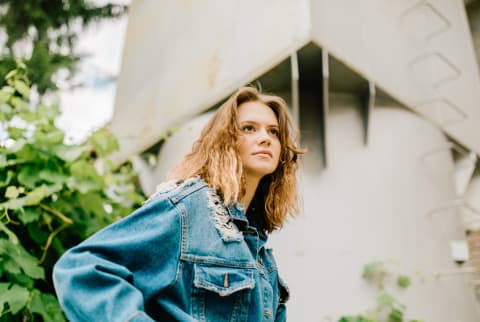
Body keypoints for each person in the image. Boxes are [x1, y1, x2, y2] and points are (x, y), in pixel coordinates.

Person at [53, 86, 304, 322]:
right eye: (249, 128)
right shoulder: (189, 208)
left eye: (273, 132)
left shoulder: (259, 249)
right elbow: (82, 268)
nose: (265, 138)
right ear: (225, 141)